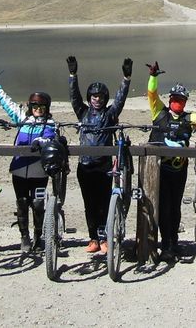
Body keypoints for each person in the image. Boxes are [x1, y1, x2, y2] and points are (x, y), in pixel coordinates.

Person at [0, 71, 57, 252]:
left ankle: (38, 236)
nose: (38, 110)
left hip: (40, 172)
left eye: (41, 107)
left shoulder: (50, 123)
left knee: (38, 204)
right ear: (30, 106)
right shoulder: (23, 119)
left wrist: (39, 142)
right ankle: (24, 237)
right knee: (22, 202)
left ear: (47, 108)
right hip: (19, 171)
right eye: (35, 106)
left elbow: (50, 138)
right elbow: (7, 103)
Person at [68, 55, 132, 254]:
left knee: (105, 202)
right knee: (90, 204)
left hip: (104, 166)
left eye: (101, 96)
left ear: (105, 99)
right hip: (85, 166)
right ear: (90, 98)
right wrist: (73, 75)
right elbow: (74, 97)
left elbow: (120, 100)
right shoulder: (83, 112)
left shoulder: (110, 115)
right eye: (94, 96)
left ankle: (105, 238)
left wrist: (126, 79)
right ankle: (93, 238)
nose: (97, 99)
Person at [146, 60, 196, 262]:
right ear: (170, 100)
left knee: (174, 206)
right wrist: (153, 77)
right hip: (158, 169)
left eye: (181, 100)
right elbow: (152, 94)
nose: (178, 102)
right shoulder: (159, 112)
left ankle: (172, 243)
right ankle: (162, 242)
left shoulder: (188, 117)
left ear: (185, 102)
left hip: (178, 170)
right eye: (175, 99)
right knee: (160, 206)